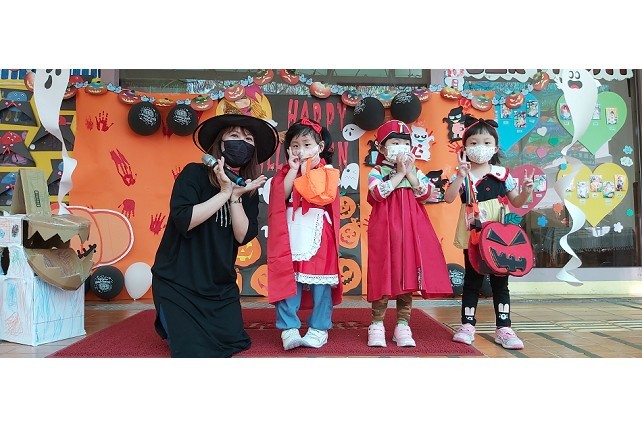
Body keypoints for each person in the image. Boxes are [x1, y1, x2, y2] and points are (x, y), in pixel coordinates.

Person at [151, 113, 278, 357]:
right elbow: (185, 220)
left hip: (219, 286)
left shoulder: (247, 189)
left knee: (234, 342)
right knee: (192, 349)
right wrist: (223, 192)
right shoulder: (193, 174)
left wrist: (235, 197)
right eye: (234, 135)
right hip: (178, 282)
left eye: (248, 139)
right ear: (220, 144)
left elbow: (242, 236)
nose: (242, 143)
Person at [443, 117, 534, 350]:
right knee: (472, 280)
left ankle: (504, 328)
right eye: (473, 143)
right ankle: (467, 326)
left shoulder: (502, 174)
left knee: (500, 282)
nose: (480, 148)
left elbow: (516, 202)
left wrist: (526, 192)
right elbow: (449, 198)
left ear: (495, 148)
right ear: (464, 148)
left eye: (486, 143)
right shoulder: (462, 175)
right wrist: (461, 175)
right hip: (473, 233)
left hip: (500, 237)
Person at [366, 120, 452, 348]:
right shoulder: (378, 171)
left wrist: (410, 173)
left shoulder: (417, 172)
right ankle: (376, 324)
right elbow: (377, 193)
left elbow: (426, 194)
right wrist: (399, 175)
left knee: (408, 273)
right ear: (382, 148)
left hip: (410, 230)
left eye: (405, 143)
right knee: (383, 272)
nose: (401, 147)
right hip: (384, 230)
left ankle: (402, 325)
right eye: (395, 142)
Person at [267, 118, 342, 350]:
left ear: (320, 147)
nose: (301, 150)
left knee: (321, 282)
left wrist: (308, 169)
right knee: (289, 278)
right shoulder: (286, 172)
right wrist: (293, 169)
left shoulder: (327, 172)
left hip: (319, 232)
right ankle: (289, 328)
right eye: (295, 145)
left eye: (307, 144)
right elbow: (280, 196)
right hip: (290, 231)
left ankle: (319, 328)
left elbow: (320, 195)